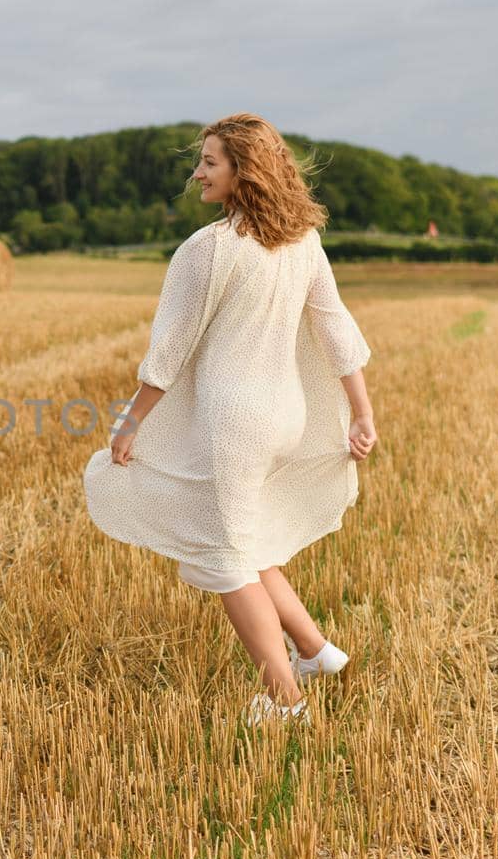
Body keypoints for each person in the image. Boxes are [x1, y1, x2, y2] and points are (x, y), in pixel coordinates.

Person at [83, 112, 377, 726]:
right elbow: (336, 329)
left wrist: (130, 422)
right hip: (285, 417)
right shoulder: (304, 243)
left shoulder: (208, 250)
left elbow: (170, 350)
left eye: (210, 162)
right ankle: (317, 651)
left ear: (245, 170)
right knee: (247, 538)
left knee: (226, 559)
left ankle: (283, 699)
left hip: (234, 425)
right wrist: (362, 411)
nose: (197, 173)